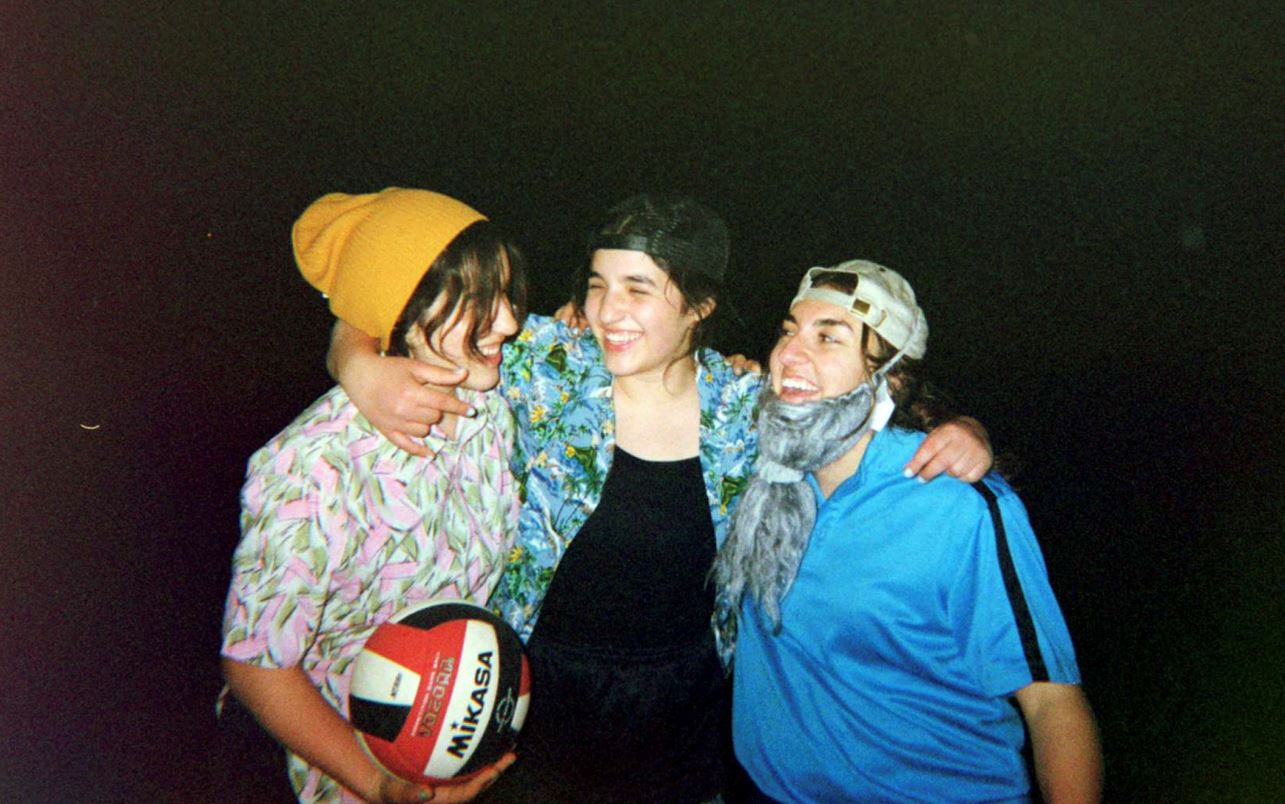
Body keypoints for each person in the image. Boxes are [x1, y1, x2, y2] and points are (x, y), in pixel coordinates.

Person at [328, 195, 994, 801]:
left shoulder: (745, 408)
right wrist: (354, 359)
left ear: (699, 306)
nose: (606, 312)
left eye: (637, 290)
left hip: (682, 723)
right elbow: (398, 304)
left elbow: (851, 410)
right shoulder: (544, 363)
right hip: (530, 707)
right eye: (597, 287)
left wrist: (967, 431)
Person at [713, 260, 1104, 803]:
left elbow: (1051, 703)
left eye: (829, 337)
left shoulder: (955, 505)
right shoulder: (746, 463)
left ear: (889, 375)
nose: (789, 354)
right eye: (788, 331)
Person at [220, 188, 526, 803]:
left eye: (509, 295)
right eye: (480, 302)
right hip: (355, 776)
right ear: (399, 317)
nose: (511, 323)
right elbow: (254, 665)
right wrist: (378, 785)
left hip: (467, 739)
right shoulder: (313, 466)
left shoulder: (487, 397)